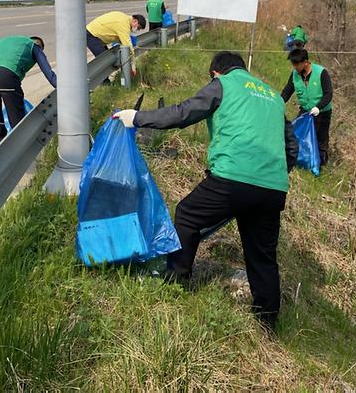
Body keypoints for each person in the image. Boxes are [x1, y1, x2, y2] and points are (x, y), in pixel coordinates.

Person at [113, 51, 298, 328]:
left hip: (232, 178)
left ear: (215, 73)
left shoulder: (224, 85)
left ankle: (177, 278)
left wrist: (138, 117)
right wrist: (272, 175)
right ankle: (267, 321)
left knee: (187, 215)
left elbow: (183, 112)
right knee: (262, 254)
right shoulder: (273, 96)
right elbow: (291, 146)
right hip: (273, 188)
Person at [0, 36, 57, 142]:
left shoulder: (8, 40)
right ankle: (19, 143)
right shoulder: (34, 46)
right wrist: (60, 87)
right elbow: (48, 72)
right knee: (16, 116)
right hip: (6, 75)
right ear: (39, 44)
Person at [281, 48, 333, 166]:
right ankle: (301, 161)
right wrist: (278, 102)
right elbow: (287, 92)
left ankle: (320, 165)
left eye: (296, 64)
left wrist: (318, 107)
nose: (295, 67)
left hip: (322, 112)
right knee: (297, 135)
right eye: (293, 64)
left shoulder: (321, 73)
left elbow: (328, 94)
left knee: (321, 140)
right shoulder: (295, 75)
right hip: (305, 111)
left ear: (305, 62)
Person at [85, 11, 146, 76]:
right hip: (92, 35)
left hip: (98, 36)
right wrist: (133, 65)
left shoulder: (124, 18)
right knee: (103, 61)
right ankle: (105, 82)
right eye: (138, 28)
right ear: (135, 21)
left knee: (107, 59)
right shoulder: (124, 24)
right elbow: (128, 46)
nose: (137, 30)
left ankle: (106, 81)